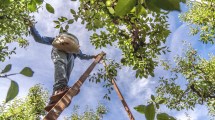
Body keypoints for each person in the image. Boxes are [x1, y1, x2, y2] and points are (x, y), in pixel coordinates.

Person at [29, 23, 97, 111]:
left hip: (71, 56)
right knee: (60, 64)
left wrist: (93, 56)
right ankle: (59, 88)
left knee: (65, 74)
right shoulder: (56, 39)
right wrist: (32, 27)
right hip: (59, 51)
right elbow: (39, 39)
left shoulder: (75, 50)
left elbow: (82, 56)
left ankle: (54, 99)